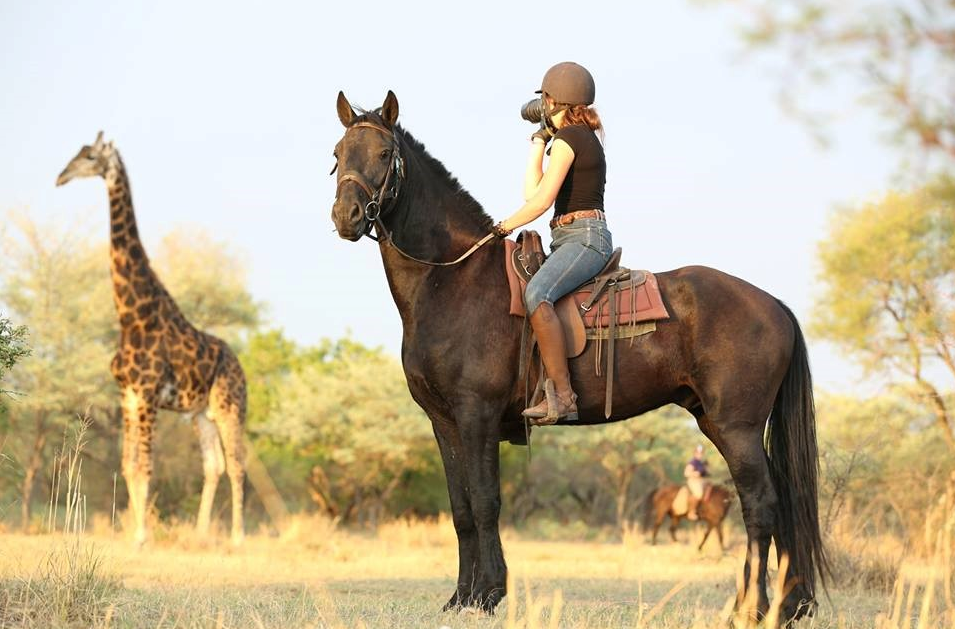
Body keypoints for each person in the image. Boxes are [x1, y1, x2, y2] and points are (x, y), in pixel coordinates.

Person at [492, 61, 613, 424]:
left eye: (545, 99)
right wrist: (538, 142)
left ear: (552, 99)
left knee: (537, 294)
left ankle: (563, 396)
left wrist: (503, 227)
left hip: (585, 239)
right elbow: (534, 192)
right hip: (568, 237)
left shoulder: (571, 138)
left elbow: (540, 203)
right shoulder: (568, 138)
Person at [684, 444, 710, 521]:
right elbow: (686, 473)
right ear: (695, 453)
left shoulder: (701, 463)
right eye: (698, 453)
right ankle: (691, 512)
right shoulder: (693, 462)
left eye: (701, 453)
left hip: (700, 481)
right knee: (699, 494)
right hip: (693, 481)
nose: (700, 454)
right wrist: (695, 473)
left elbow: (705, 473)